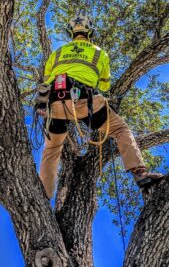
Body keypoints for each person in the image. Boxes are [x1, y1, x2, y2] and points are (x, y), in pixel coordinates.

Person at [37, 15, 164, 199]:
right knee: (120, 129)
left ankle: (43, 198)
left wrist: (42, 104)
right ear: (90, 32)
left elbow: (46, 82)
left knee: (51, 151)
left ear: (70, 33)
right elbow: (104, 85)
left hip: (55, 104)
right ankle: (140, 173)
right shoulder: (99, 53)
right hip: (85, 102)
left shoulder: (57, 53)